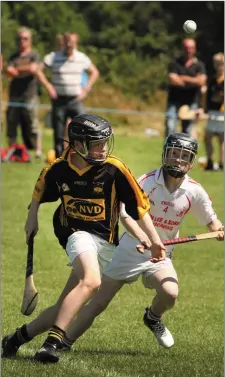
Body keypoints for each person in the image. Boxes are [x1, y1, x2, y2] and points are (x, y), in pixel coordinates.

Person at [2, 114, 165, 363]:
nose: (103, 149)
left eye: (104, 142)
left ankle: (14, 339)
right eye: (97, 143)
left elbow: (140, 208)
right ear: (78, 144)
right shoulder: (59, 168)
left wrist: (153, 240)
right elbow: (39, 190)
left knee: (64, 307)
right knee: (91, 281)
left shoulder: (114, 169)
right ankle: (52, 344)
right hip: (76, 235)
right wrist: (31, 217)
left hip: (105, 242)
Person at [54, 132, 223, 353]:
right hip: (128, 250)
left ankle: (153, 318)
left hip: (159, 256)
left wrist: (219, 229)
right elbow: (126, 215)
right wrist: (146, 239)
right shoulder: (146, 181)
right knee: (97, 303)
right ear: (165, 154)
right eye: (174, 154)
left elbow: (211, 220)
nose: (178, 159)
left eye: (184, 156)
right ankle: (62, 343)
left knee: (170, 293)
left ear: (191, 161)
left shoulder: (194, 190)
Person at [35, 32, 99, 158]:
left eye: (72, 42)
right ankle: (60, 164)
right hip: (59, 100)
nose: (69, 44)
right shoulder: (54, 57)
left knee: (83, 130)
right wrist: (48, 86)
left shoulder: (81, 58)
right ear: (64, 42)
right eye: (67, 41)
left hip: (75, 100)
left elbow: (94, 72)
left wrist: (86, 89)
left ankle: (83, 159)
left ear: (76, 43)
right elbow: (38, 70)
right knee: (59, 135)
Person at [5, 27, 42, 158]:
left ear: (30, 40)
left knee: (33, 124)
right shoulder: (13, 56)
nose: (22, 41)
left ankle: (38, 151)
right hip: (14, 95)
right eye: (20, 39)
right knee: (12, 123)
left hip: (30, 95)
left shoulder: (34, 55)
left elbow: (33, 69)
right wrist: (23, 70)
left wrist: (17, 70)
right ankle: (12, 151)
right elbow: (9, 71)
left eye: (25, 38)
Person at [165, 39, 207, 138]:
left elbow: (202, 81)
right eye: (186, 48)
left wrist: (183, 78)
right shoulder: (175, 63)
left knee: (188, 131)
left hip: (191, 102)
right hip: (174, 101)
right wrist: (193, 81)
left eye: (191, 48)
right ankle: (170, 152)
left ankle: (185, 153)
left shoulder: (199, 65)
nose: (189, 50)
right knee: (170, 127)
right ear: (182, 49)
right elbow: (173, 79)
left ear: (195, 49)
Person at [203, 53, 224, 171]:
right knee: (208, 138)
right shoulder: (212, 79)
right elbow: (209, 96)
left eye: (221, 64)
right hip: (212, 111)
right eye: (217, 64)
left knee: (222, 140)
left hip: (222, 113)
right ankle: (210, 161)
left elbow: (218, 97)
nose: (219, 67)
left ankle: (222, 163)